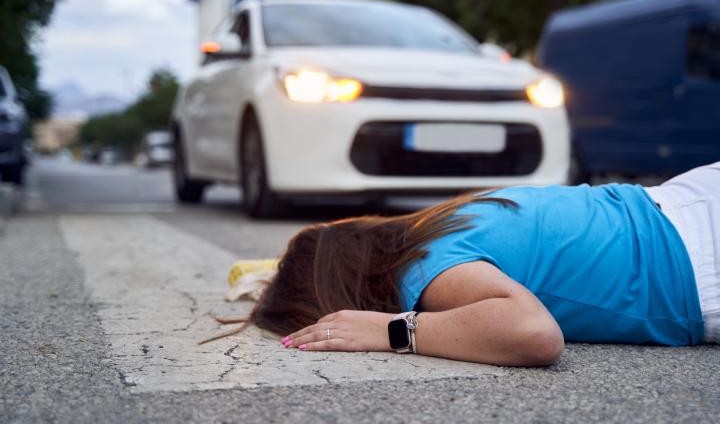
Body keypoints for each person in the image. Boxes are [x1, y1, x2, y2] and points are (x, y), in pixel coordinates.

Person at [216, 162, 720, 367]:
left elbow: (533, 334)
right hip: (687, 199)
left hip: (698, 258)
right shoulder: (445, 220)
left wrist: (390, 330)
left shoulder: (426, 268)